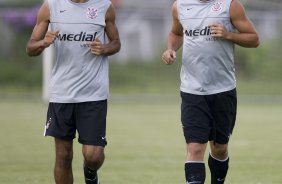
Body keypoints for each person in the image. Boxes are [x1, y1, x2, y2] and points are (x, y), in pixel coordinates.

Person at [162, 0, 259, 183]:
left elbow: (254, 39)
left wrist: (228, 34)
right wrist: (170, 49)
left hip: (223, 90)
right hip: (192, 90)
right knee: (195, 148)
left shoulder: (230, 5)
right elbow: (176, 32)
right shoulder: (180, 6)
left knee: (220, 148)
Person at [26, 0, 121, 183]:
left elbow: (116, 43)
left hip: (94, 93)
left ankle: (90, 173)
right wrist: (43, 42)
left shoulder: (104, 6)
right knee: (63, 155)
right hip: (62, 93)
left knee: (93, 155)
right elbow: (30, 48)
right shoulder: (51, 6)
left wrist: (104, 49)